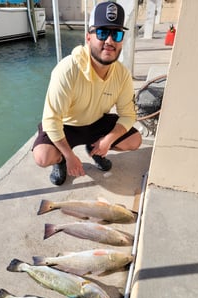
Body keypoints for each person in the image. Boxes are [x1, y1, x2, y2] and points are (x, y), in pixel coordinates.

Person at [32, 1, 142, 185]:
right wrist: (69, 157)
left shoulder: (122, 75)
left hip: (96, 122)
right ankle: (59, 161)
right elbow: (51, 121)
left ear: (122, 39)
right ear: (89, 37)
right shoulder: (67, 70)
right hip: (66, 125)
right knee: (43, 157)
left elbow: (128, 115)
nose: (109, 41)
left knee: (134, 140)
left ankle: (96, 149)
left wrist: (107, 140)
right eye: (102, 32)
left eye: (116, 33)